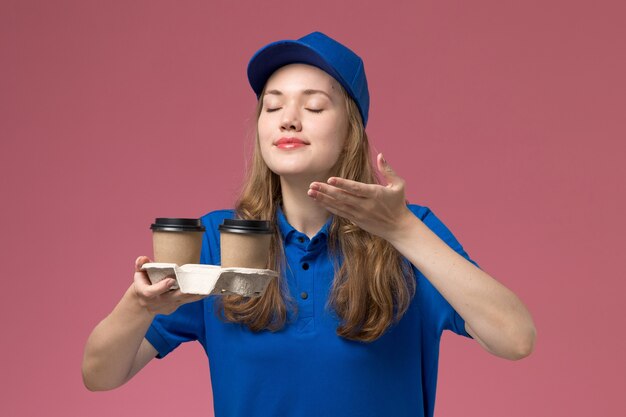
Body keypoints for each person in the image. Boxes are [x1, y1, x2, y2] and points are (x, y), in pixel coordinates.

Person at [82, 32, 536, 417]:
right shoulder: (218, 241)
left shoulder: (412, 232)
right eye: (272, 106)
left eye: (315, 107)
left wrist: (400, 231)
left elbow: (515, 339)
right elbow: (99, 375)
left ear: (350, 132)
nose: (289, 119)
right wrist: (139, 305)